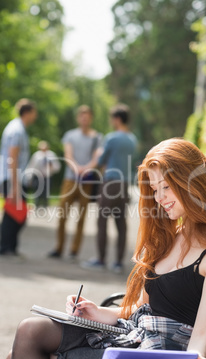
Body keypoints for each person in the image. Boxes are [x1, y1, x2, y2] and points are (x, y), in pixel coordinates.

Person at [5, 138, 206, 359]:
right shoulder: (170, 237)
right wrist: (96, 312)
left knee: (16, 358)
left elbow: (203, 332)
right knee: (30, 331)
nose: (159, 198)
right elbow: (140, 308)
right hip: (131, 336)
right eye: (154, 189)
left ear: (192, 183)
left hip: (155, 358)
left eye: (166, 187)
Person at [82, 104, 137, 273]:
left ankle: (101, 259)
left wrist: (99, 154)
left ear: (117, 119)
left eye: (112, 118)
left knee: (102, 220)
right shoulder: (132, 139)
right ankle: (119, 262)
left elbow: (101, 160)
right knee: (121, 223)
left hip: (110, 183)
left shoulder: (112, 138)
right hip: (124, 184)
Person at [47, 105, 102, 261]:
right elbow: (68, 155)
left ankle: (74, 250)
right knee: (62, 214)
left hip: (87, 182)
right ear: (78, 118)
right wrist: (77, 168)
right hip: (70, 180)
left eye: (87, 116)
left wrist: (86, 169)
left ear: (91, 118)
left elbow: (96, 158)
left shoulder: (97, 137)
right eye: (82, 116)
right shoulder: (70, 135)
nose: (84, 118)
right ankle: (59, 247)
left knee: (81, 217)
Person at [0, 98, 37, 257]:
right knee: (13, 214)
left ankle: (10, 248)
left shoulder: (18, 128)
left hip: (16, 178)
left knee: (17, 214)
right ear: (27, 112)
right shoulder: (17, 129)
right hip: (13, 178)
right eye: (34, 113)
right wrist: (15, 185)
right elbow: (12, 157)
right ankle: (5, 249)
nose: (35, 116)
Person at [25, 140, 61, 208]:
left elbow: (57, 167)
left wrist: (52, 166)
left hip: (47, 177)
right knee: (37, 193)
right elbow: (31, 166)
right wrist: (29, 178)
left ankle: (45, 206)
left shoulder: (52, 155)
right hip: (38, 177)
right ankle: (37, 206)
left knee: (46, 193)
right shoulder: (36, 155)